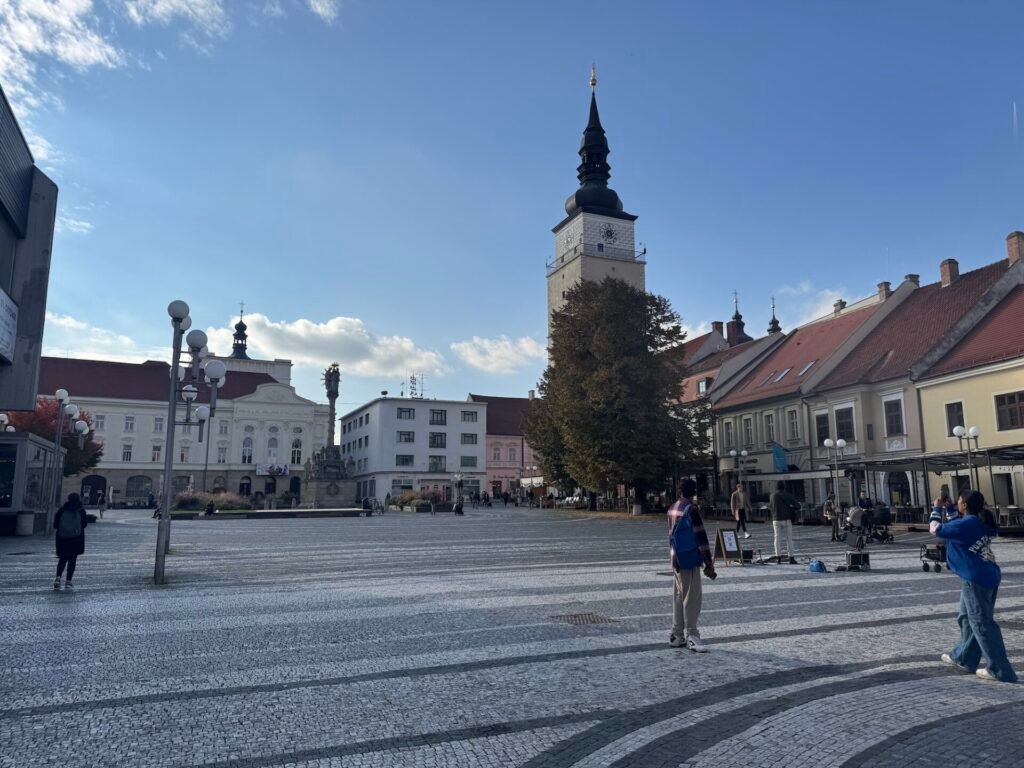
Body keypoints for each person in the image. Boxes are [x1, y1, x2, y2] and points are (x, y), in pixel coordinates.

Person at [931, 490, 1017, 683]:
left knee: (981, 623)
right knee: (966, 617)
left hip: (976, 578)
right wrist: (950, 509)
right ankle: (964, 657)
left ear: (964, 505)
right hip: (984, 574)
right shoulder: (976, 522)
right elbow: (956, 526)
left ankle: (1000, 670)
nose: (957, 503)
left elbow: (935, 529)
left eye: (959, 501)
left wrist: (937, 508)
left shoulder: (967, 524)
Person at [668, 478, 716, 652]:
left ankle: (676, 635)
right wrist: (708, 562)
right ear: (694, 492)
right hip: (690, 558)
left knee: (678, 596)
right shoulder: (691, 509)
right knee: (692, 597)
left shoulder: (672, 508)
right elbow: (700, 537)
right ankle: (692, 635)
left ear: (680, 490)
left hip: (676, 558)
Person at [53, 493, 88, 590]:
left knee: (62, 559)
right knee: (72, 560)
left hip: (63, 538)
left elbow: (55, 524)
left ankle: (58, 578)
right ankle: (68, 581)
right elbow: (84, 524)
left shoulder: (62, 509)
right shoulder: (81, 510)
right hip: (76, 539)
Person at [769, 481, 800, 564]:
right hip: (786, 519)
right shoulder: (787, 495)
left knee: (777, 539)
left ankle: (778, 557)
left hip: (776, 519)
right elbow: (797, 505)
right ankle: (791, 558)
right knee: (789, 539)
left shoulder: (772, 496)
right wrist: (791, 507)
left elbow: (770, 507)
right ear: (783, 487)